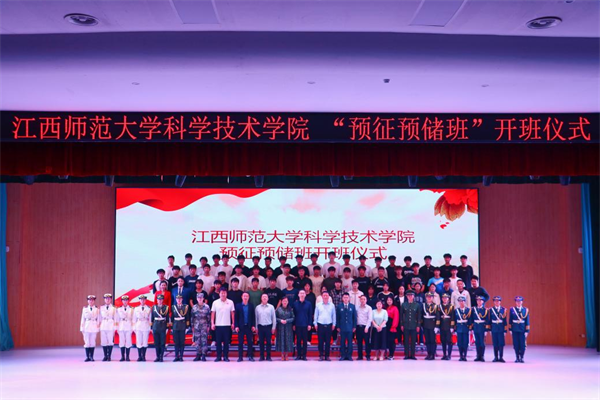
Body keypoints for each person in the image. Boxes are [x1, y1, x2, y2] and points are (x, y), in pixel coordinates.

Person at [211, 287, 235, 362]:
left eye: (224, 293)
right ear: (219, 294)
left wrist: (233, 323)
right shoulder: (215, 302)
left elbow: (232, 313)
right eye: (222, 293)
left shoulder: (230, 302)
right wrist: (212, 323)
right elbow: (213, 313)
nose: (223, 294)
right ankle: (218, 357)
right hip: (218, 325)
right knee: (218, 342)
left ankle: (226, 357)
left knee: (226, 342)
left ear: (226, 294)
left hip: (227, 325)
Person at [314, 290, 336, 361]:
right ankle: (321, 355)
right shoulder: (318, 305)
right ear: (322, 296)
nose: (325, 297)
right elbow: (316, 315)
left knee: (328, 341)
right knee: (320, 341)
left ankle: (327, 356)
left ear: (329, 297)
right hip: (320, 325)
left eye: (327, 295)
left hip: (329, 325)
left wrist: (334, 324)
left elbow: (334, 315)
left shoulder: (332, 305)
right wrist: (315, 323)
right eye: (324, 295)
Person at [235, 292, 256, 362]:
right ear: (242, 297)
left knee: (250, 342)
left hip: (249, 327)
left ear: (248, 297)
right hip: (241, 327)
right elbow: (236, 317)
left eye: (247, 296)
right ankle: (240, 357)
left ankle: (250, 356)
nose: (245, 297)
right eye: (244, 296)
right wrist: (236, 326)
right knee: (240, 343)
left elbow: (253, 317)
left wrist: (253, 325)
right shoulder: (238, 306)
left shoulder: (251, 306)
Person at [401, 289, 422, 360]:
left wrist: (418, 325)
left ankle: (413, 355)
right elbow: (401, 315)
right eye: (408, 295)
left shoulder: (417, 305)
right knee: (406, 340)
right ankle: (406, 354)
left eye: (411, 295)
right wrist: (402, 324)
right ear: (406, 296)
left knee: (413, 341)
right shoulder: (404, 304)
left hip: (414, 325)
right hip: (406, 325)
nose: (410, 296)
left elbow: (419, 316)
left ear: (414, 296)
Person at [255, 293, 276, 361]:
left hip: (268, 326)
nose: (264, 298)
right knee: (261, 342)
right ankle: (261, 356)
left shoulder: (271, 307)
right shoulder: (257, 307)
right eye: (263, 297)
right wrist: (256, 327)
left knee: (268, 342)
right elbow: (256, 318)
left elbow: (273, 318)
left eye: (266, 297)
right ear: (261, 298)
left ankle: (268, 356)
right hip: (260, 326)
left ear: (268, 298)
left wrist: (273, 327)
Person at [336, 293, 357, 361]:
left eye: (347, 297)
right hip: (342, 327)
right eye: (344, 297)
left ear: (349, 298)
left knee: (350, 342)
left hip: (350, 327)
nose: (346, 299)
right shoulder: (339, 306)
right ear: (342, 298)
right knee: (342, 342)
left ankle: (349, 355)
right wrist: (338, 326)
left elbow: (354, 317)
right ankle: (343, 355)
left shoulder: (352, 306)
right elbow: (337, 317)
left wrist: (354, 326)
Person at [293, 290, 312, 361]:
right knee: (298, 341)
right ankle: (298, 355)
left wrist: (309, 324)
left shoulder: (308, 304)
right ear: (298, 295)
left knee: (304, 341)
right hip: (297, 324)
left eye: (303, 293)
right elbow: (293, 315)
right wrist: (293, 324)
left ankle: (304, 355)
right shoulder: (295, 304)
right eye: (300, 293)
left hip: (305, 325)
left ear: (305, 295)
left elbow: (310, 315)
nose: (302, 294)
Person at [191, 292, 211, 362]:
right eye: (198, 298)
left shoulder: (207, 307)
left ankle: (204, 355)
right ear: (196, 299)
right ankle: (198, 354)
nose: (200, 299)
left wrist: (208, 326)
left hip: (204, 326)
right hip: (196, 326)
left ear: (203, 298)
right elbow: (192, 317)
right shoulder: (194, 307)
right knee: (197, 341)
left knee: (204, 340)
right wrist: (192, 326)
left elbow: (208, 317)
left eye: (201, 298)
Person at [509, 296, 530, 363]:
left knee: (522, 344)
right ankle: (517, 357)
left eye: (520, 301)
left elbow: (527, 320)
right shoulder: (512, 309)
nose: (518, 303)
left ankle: (522, 357)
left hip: (522, 329)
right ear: (515, 302)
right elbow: (510, 320)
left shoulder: (525, 310)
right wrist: (510, 329)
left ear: (522, 302)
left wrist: (527, 330)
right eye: (517, 301)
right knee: (516, 344)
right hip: (515, 329)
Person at [80, 295, 100, 362]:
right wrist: (82, 328)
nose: (91, 301)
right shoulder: (85, 309)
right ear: (87, 301)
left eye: (92, 300)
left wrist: (98, 328)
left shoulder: (97, 309)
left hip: (94, 326)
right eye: (89, 300)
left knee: (92, 342)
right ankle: (87, 357)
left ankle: (91, 357)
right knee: (87, 342)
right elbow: (82, 319)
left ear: (94, 301)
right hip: (86, 326)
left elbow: (98, 319)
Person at [151, 294, 170, 362]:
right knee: (156, 343)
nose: (160, 301)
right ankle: (157, 356)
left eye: (161, 299)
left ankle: (161, 357)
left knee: (162, 343)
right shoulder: (154, 307)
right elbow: (152, 318)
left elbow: (167, 318)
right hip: (155, 326)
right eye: (158, 299)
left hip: (163, 326)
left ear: (163, 300)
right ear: (157, 300)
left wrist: (167, 327)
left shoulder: (166, 307)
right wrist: (151, 327)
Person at [172, 294, 190, 362]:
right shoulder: (173, 307)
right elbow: (172, 317)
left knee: (182, 342)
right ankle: (176, 356)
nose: (179, 300)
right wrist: (172, 326)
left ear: (182, 299)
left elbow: (187, 317)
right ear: (176, 300)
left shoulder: (186, 307)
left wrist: (187, 327)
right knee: (176, 342)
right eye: (177, 299)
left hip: (182, 326)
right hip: (175, 326)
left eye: (180, 299)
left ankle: (181, 356)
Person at [133, 294, 152, 362]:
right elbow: (134, 319)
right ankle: (139, 356)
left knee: (145, 341)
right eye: (141, 299)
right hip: (138, 325)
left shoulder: (148, 308)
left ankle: (143, 356)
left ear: (145, 300)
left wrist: (150, 327)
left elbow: (150, 319)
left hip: (146, 325)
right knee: (139, 341)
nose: (142, 301)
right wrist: (134, 327)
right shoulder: (136, 308)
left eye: (144, 299)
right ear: (139, 300)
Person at [116, 295, 134, 362]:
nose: (125, 301)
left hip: (129, 326)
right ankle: (122, 356)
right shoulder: (119, 309)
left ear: (128, 301)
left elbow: (133, 319)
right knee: (122, 342)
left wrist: (133, 327)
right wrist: (117, 327)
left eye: (126, 300)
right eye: (124, 300)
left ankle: (128, 357)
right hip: (121, 326)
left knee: (128, 342)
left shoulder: (132, 309)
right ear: (122, 301)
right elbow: (117, 319)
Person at [490, 296, 508, 363]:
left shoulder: (504, 310)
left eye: (498, 301)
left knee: (501, 343)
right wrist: (489, 329)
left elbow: (505, 321)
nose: (497, 302)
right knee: (495, 343)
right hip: (494, 328)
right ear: (494, 302)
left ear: (500, 302)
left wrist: (505, 330)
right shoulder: (491, 310)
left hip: (501, 329)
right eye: (495, 301)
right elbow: (489, 320)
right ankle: (495, 357)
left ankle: (501, 357)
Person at [422, 292, 439, 360]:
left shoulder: (435, 306)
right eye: (428, 297)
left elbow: (438, 317)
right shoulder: (423, 305)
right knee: (427, 340)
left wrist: (437, 326)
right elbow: (421, 316)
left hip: (432, 325)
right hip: (425, 324)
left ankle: (433, 354)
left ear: (432, 298)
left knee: (432, 340)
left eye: (430, 297)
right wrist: (421, 325)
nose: (429, 298)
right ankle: (428, 353)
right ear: (426, 298)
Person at [472, 295, 489, 362]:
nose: (479, 302)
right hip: (476, 326)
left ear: (483, 302)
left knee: (482, 342)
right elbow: (472, 319)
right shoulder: (473, 309)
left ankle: (482, 356)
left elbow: (487, 320)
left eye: (480, 300)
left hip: (482, 327)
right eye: (478, 300)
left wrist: (486, 329)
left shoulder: (485, 310)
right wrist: (471, 328)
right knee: (477, 342)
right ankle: (478, 355)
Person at [99, 293, 116, 362]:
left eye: (109, 298)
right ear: (104, 299)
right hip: (103, 325)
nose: (107, 300)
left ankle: (109, 356)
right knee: (103, 341)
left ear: (111, 299)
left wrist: (115, 327)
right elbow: (99, 318)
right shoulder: (101, 308)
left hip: (110, 325)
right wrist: (99, 326)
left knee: (110, 341)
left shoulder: (114, 308)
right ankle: (105, 356)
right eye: (106, 298)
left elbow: (115, 318)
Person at [455, 296, 472, 361]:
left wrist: (470, 328)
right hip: (459, 328)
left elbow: (470, 320)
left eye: (462, 301)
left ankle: (465, 356)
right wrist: (454, 328)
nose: (461, 302)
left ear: (465, 302)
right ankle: (460, 356)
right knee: (459, 343)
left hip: (465, 328)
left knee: (465, 342)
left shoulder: (468, 310)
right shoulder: (456, 310)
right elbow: (455, 320)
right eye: (460, 301)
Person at [356, 295, 373, 360]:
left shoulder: (369, 308)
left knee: (367, 342)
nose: (362, 300)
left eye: (364, 299)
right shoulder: (357, 307)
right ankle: (360, 356)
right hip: (358, 327)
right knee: (359, 342)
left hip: (366, 327)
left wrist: (367, 327)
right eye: (361, 299)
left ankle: (368, 355)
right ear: (360, 300)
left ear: (366, 300)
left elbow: (370, 318)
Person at [438, 293, 455, 360]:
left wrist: (452, 326)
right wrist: (438, 326)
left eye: (446, 298)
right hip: (442, 326)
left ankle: (449, 355)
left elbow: (453, 317)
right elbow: (438, 316)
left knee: (449, 341)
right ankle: (444, 354)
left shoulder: (451, 306)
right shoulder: (440, 306)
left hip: (448, 326)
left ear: (448, 299)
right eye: (443, 298)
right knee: (443, 341)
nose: (445, 299)